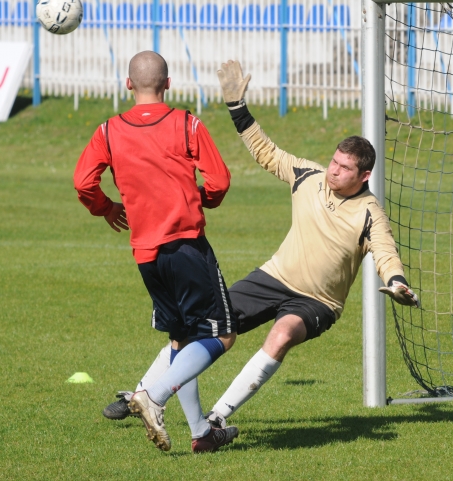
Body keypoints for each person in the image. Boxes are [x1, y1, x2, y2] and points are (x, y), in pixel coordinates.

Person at [102, 59, 420, 430]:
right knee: (201, 326)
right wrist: (238, 107)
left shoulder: (370, 213)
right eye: (334, 162)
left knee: (282, 333)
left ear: (364, 175)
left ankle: (217, 418)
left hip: (317, 301)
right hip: (272, 277)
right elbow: (265, 150)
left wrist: (397, 282)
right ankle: (142, 394)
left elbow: (386, 253)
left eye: (344, 168)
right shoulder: (308, 175)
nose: (334, 170)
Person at [74, 51, 240, 453]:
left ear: (128, 84)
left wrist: (106, 207)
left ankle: (201, 433)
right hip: (186, 246)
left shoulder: (107, 131)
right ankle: (152, 395)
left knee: (183, 340)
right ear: (168, 84)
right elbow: (218, 180)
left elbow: (83, 182)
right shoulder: (186, 123)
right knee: (225, 335)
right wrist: (199, 199)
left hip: (146, 254)